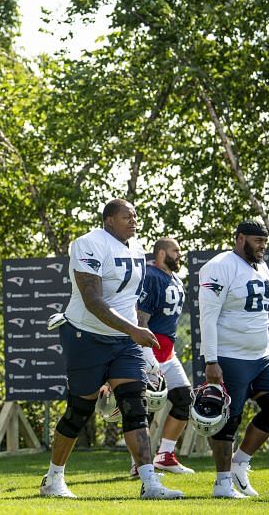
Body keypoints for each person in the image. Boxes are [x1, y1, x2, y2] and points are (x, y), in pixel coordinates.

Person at [39, 199, 183, 500]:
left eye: (135, 215)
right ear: (108, 220)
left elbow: (128, 301)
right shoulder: (88, 243)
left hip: (122, 341)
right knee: (79, 411)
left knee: (135, 405)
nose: (133, 220)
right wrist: (134, 330)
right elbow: (92, 300)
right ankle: (54, 478)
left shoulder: (135, 247)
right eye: (126, 216)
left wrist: (142, 348)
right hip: (85, 335)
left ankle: (150, 483)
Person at [198, 220, 269, 498]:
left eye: (265, 241)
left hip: (261, 356)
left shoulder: (260, 265)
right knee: (228, 419)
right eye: (257, 240)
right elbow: (208, 315)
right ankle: (222, 483)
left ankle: (240, 463)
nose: (262, 246)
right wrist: (211, 360)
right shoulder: (219, 266)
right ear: (240, 239)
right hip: (230, 355)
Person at [129, 238, 194, 476]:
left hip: (168, 352)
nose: (179, 254)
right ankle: (139, 464)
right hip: (151, 350)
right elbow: (141, 317)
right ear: (161, 253)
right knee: (146, 408)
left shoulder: (173, 277)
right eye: (175, 250)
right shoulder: (151, 275)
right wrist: (146, 354)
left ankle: (165, 455)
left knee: (184, 400)